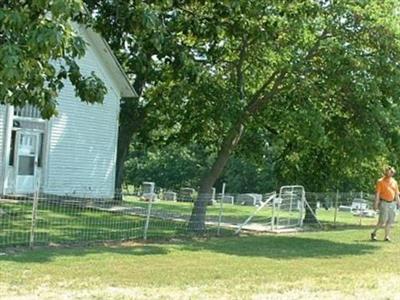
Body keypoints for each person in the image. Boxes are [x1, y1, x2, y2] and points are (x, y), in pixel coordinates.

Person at [371, 166, 400, 241]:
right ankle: (374, 233)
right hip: (384, 202)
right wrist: (376, 204)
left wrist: (398, 203)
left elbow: (396, 194)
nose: (391, 173)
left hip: (392, 203)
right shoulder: (380, 181)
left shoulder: (394, 182)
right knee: (382, 220)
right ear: (386, 172)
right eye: (390, 172)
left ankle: (386, 236)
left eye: (392, 172)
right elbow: (377, 194)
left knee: (390, 220)